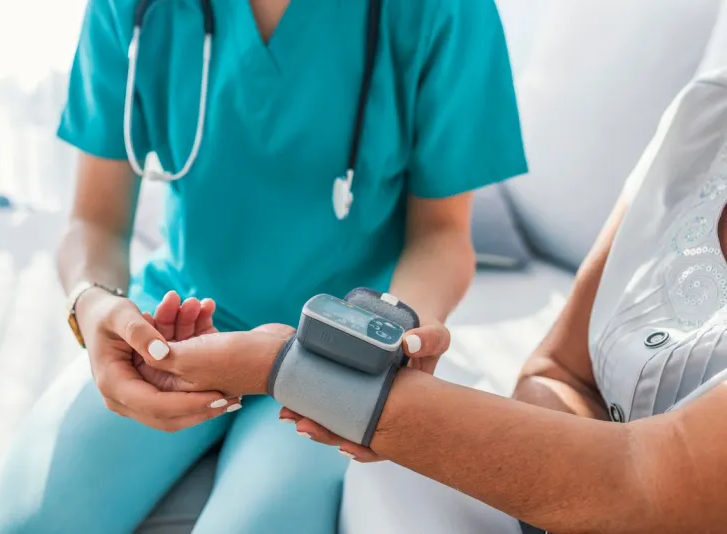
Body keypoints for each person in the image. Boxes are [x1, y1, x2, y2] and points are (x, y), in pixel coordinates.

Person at [0, 0, 527, 532]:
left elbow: (442, 235)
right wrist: (94, 304)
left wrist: (394, 341)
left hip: (333, 358)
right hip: (172, 332)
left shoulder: (445, 10)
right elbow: (96, 221)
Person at [125, 70, 727, 533]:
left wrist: (286, 368)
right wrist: (493, 453)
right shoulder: (704, 123)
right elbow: (561, 370)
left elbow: (647, 484)